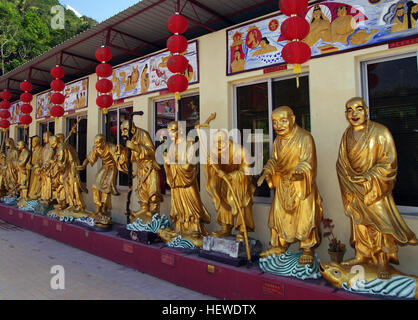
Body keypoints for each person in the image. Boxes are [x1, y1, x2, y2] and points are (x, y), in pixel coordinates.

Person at [336, 97, 417, 279]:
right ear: (345, 114)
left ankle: (382, 260)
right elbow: (341, 162)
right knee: (358, 222)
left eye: (358, 109)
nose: (354, 114)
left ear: (366, 110)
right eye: (350, 110)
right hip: (354, 186)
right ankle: (361, 254)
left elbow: (389, 162)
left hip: (375, 188)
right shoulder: (347, 134)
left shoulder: (380, 132)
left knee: (380, 223)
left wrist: (369, 177)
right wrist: (350, 178)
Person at [257, 106, 323, 265]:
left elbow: (308, 162)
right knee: (277, 216)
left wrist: (299, 173)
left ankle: (307, 248)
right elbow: (274, 160)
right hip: (283, 184)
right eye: (274, 122)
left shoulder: (305, 138)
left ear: (293, 120)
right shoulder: (277, 141)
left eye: (283, 121)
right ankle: (280, 246)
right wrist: (267, 171)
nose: (278, 125)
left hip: (301, 186)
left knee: (305, 217)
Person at [205, 130, 255, 241]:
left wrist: (231, 176)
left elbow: (247, 171)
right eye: (215, 142)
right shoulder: (215, 151)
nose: (217, 145)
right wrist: (211, 165)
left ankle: (243, 229)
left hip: (240, 183)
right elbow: (214, 168)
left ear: (228, 141)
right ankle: (225, 227)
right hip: (224, 182)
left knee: (242, 198)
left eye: (220, 142)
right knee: (221, 195)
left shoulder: (240, 151)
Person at [163, 121, 210, 238]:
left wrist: (172, 163)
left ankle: (195, 228)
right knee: (178, 205)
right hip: (176, 181)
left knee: (192, 204)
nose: (170, 134)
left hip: (187, 180)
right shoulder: (172, 145)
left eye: (172, 131)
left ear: (180, 131)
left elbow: (190, 164)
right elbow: (168, 162)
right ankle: (180, 228)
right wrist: (167, 163)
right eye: (169, 132)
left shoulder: (189, 143)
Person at [78, 134, 127, 225]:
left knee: (106, 188)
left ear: (103, 142)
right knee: (95, 186)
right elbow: (89, 158)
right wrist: (83, 165)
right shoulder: (96, 149)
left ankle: (104, 209)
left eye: (98, 142)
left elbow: (118, 159)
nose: (96, 144)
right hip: (104, 167)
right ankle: (98, 208)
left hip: (112, 168)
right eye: (95, 143)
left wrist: (121, 152)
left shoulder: (110, 147)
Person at [120, 120, 162, 223]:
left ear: (132, 129)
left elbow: (152, 152)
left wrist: (135, 147)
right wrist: (123, 153)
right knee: (143, 198)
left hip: (150, 168)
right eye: (121, 131)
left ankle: (154, 219)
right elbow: (132, 158)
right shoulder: (130, 139)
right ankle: (141, 216)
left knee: (153, 196)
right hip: (141, 169)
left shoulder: (143, 134)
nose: (122, 134)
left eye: (125, 130)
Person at [40, 132, 55, 204]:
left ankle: (47, 198)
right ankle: (43, 197)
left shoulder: (51, 148)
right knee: (44, 183)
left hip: (48, 168)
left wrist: (46, 165)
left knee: (48, 183)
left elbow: (50, 158)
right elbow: (42, 158)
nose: (43, 138)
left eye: (45, 136)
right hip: (43, 168)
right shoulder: (44, 147)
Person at [27, 136, 43, 200]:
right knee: (32, 183)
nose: (32, 143)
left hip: (37, 170)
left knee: (36, 184)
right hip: (32, 170)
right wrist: (28, 164)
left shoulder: (41, 149)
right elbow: (30, 160)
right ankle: (31, 194)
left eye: (33, 141)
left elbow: (42, 160)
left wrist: (37, 165)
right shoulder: (33, 151)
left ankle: (35, 195)